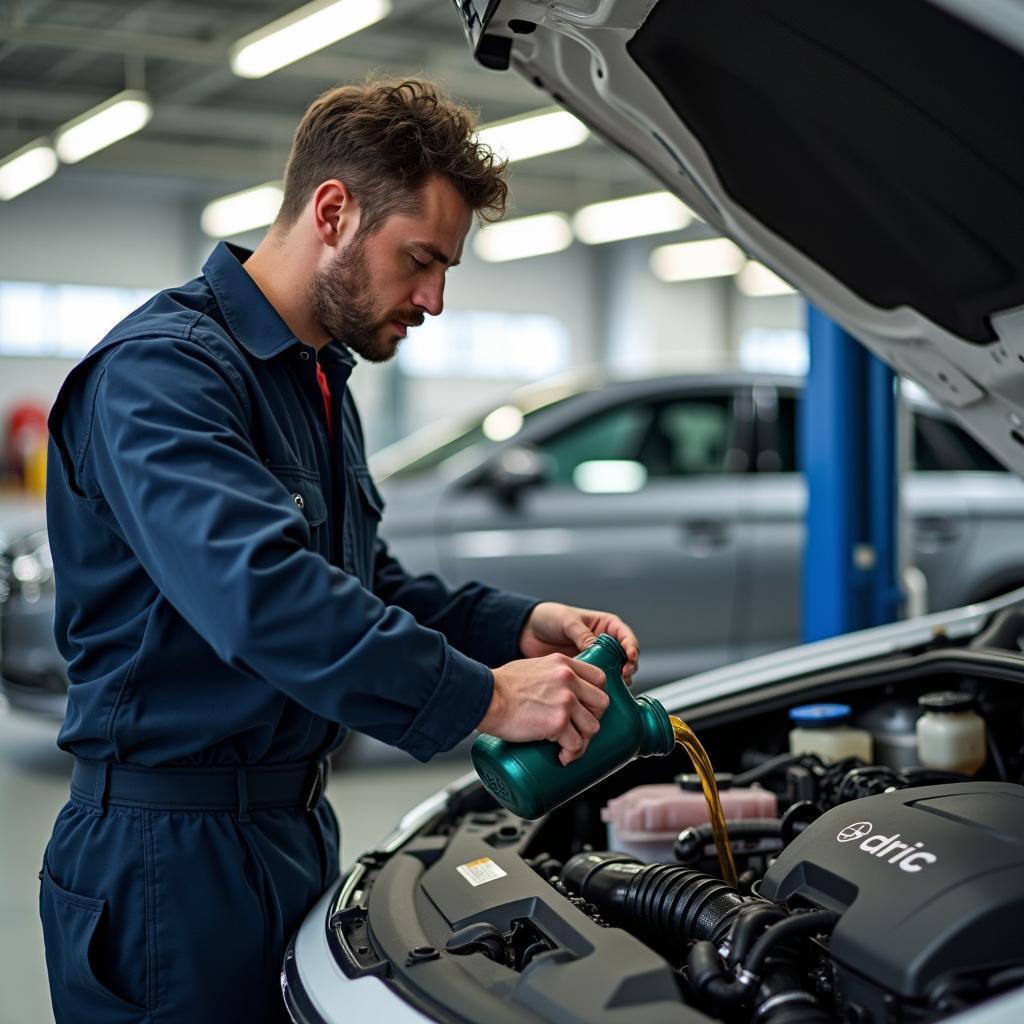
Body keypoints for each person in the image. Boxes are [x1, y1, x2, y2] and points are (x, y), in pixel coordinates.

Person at [40, 78, 639, 1024]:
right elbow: (266, 596)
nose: (435, 299)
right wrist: (487, 698)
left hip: (288, 826)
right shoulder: (160, 375)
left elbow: (362, 581)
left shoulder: (316, 377)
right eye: (421, 260)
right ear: (333, 212)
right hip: (169, 858)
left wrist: (515, 628)